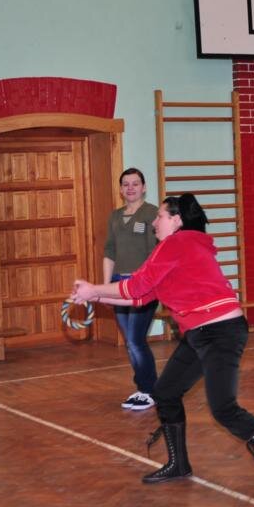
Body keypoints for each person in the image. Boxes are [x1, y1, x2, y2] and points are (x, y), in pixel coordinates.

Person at [70, 194, 254, 494]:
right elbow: (142, 296)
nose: (155, 222)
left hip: (220, 332)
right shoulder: (174, 248)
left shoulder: (178, 243)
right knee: (165, 392)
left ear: (177, 220)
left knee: (223, 409)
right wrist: (94, 295)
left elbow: (136, 287)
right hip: (200, 333)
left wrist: (94, 289)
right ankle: (178, 464)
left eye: (160, 217)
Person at [103, 168, 161, 411]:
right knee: (130, 342)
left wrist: (142, 283)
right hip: (119, 283)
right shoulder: (115, 216)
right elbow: (109, 251)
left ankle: (150, 390)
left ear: (144, 187)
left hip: (141, 285)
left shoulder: (152, 214)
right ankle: (143, 388)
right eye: (125, 184)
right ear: (120, 189)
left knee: (136, 340)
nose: (130, 188)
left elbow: (154, 254)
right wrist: (106, 287)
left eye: (135, 184)